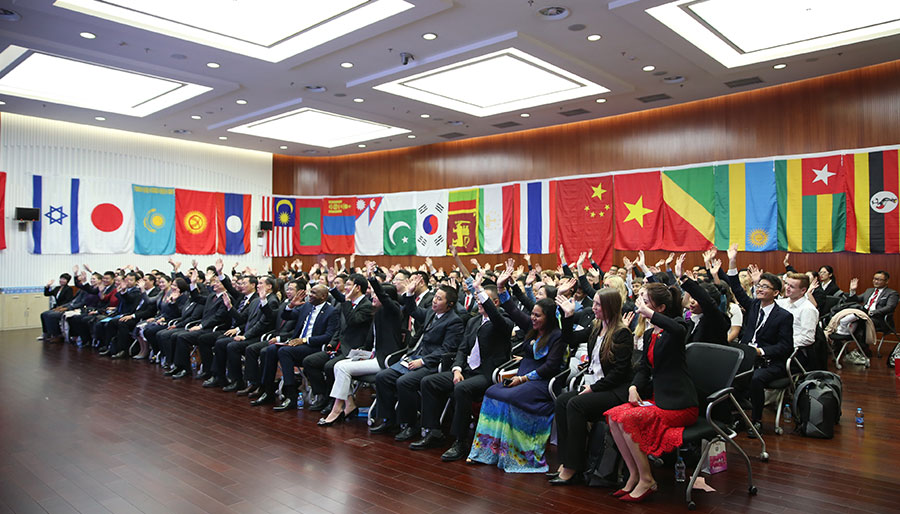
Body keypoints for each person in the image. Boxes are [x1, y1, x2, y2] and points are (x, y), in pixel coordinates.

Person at [465, 265, 564, 473]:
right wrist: (501, 288)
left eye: (538, 316)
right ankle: (489, 450)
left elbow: (550, 366)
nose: (533, 318)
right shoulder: (531, 327)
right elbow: (512, 309)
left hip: (540, 381)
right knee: (491, 392)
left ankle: (514, 454)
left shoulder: (557, 335)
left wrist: (523, 379)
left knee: (510, 397)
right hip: (522, 376)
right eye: (533, 314)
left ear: (548, 317)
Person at [605, 282, 697, 503]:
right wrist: (633, 387)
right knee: (613, 417)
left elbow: (679, 330)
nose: (640, 306)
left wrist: (649, 313)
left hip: (679, 404)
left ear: (661, 308)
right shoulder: (649, 334)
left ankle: (647, 479)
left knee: (628, 419)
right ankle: (634, 474)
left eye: (645, 302)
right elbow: (644, 369)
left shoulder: (676, 326)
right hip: (657, 398)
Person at [413, 273, 514, 459]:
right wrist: (457, 369)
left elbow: (495, 317)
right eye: (478, 299)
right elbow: (462, 349)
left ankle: (460, 441)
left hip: (487, 373)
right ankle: (434, 432)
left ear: (495, 303)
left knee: (462, 388)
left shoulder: (504, 322)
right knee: (429, 382)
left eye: (483, 300)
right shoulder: (473, 321)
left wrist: (479, 289)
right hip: (466, 370)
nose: (479, 303)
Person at [549, 287, 633, 485]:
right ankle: (566, 460)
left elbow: (619, 373)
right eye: (593, 303)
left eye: (598, 304)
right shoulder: (596, 327)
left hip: (613, 390)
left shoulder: (622, 333)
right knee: (562, 401)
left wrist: (593, 388)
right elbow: (569, 339)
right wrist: (568, 316)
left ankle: (574, 466)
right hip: (595, 386)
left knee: (575, 404)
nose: (593, 307)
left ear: (610, 307)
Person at [369, 275, 464, 438]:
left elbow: (447, 350)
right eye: (435, 297)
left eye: (439, 299)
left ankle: (410, 425)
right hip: (416, 357)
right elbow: (413, 310)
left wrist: (423, 361)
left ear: (449, 305)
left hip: (432, 364)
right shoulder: (431, 313)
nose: (434, 301)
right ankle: (389, 420)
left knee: (404, 382)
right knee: (383, 377)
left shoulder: (454, 321)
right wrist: (410, 294)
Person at [719, 244, 793, 436]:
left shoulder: (784, 316)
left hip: (769, 362)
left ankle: (757, 420)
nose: (759, 289)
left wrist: (761, 351)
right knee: (725, 372)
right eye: (759, 286)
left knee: (756, 379)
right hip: (747, 357)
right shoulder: (753, 306)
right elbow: (736, 287)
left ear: (776, 293)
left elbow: (786, 346)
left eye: (765, 287)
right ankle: (732, 416)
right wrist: (732, 261)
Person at [318, 263, 403, 426]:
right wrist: (361, 352)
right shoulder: (376, 313)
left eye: (376, 295)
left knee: (342, 368)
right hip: (371, 354)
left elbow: (383, 298)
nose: (373, 297)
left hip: (384, 359)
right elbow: (370, 341)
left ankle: (337, 409)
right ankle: (349, 404)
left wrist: (372, 279)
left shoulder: (393, 312)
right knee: (337, 366)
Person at [300, 272, 374, 412]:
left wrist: (346, 301)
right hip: (339, 347)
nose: (345, 288)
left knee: (330, 367)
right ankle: (322, 395)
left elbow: (352, 321)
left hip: (355, 350)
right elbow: (339, 328)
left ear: (357, 288)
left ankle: (333, 401)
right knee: (310, 362)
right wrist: (333, 342)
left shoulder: (367, 305)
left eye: (348, 285)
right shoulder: (345, 304)